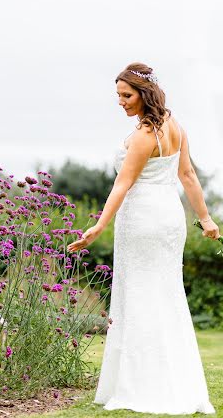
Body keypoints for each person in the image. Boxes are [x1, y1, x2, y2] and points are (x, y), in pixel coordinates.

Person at [67, 62, 219, 414]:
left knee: (139, 296)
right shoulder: (175, 126)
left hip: (142, 219)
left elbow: (123, 183)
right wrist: (206, 218)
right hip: (169, 218)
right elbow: (188, 175)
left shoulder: (142, 136)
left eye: (126, 95)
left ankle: (143, 386)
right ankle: (176, 381)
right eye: (118, 95)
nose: (120, 101)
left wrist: (99, 225)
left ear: (144, 94)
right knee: (165, 294)